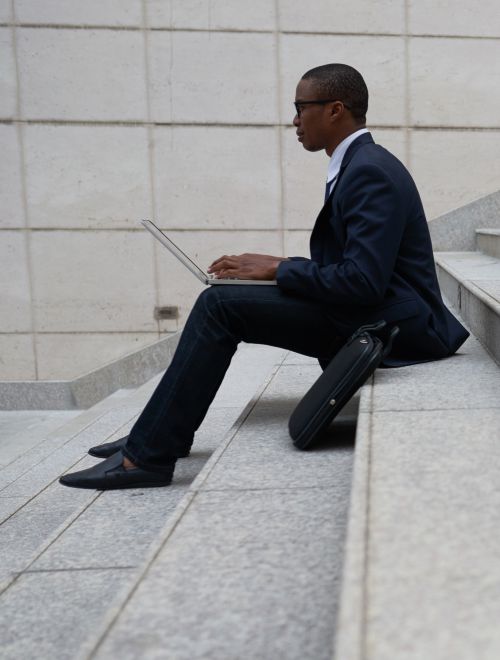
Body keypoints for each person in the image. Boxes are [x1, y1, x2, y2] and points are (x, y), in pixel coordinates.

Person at [60, 63, 469, 490]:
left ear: (335, 110)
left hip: (398, 326)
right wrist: (276, 266)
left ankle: (147, 456)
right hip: (376, 309)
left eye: (300, 108)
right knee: (224, 299)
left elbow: (362, 282)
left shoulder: (370, 172)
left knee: (219, 306)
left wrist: (280, 269)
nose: (294, 120)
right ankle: (160, 433)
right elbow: (356, 272)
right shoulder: (357, 164)